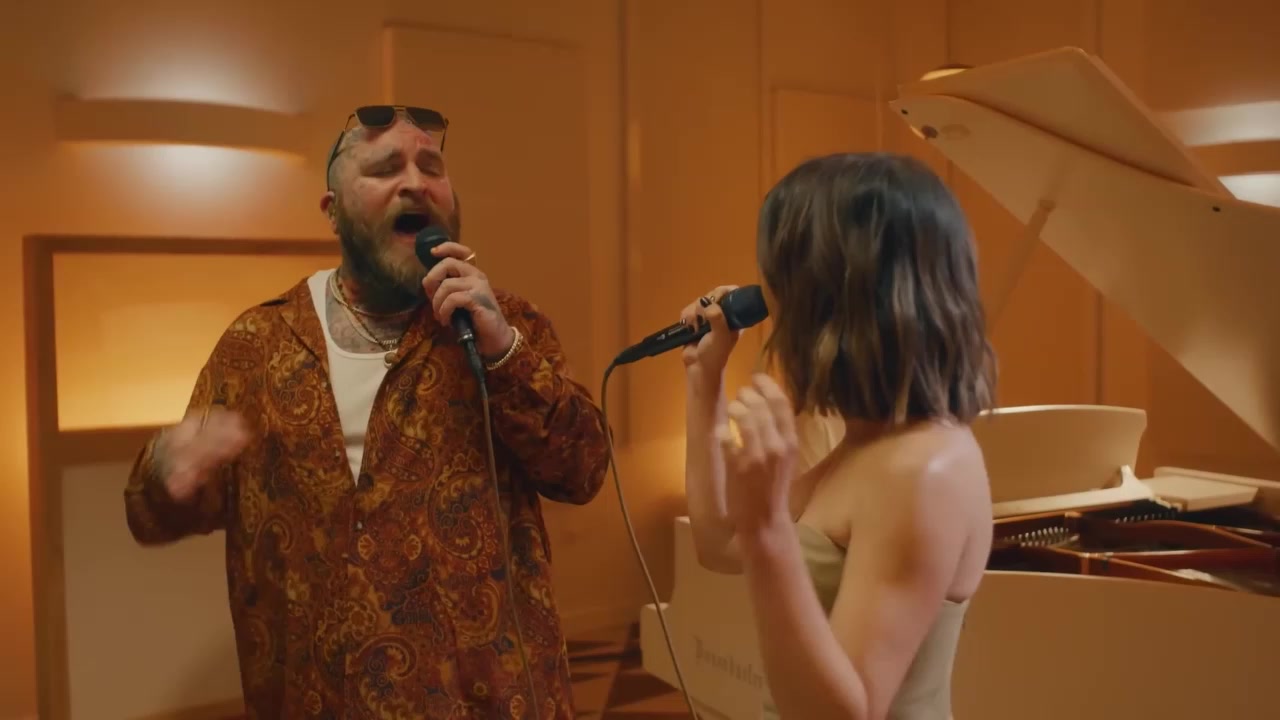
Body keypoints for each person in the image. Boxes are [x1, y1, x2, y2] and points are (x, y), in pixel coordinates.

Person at [123, 105, 611, 719]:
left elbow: (584, 471)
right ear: (332, 211)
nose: (416, 183)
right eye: (385, 168)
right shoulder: (257, 346)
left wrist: (503, 352)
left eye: (431, 166)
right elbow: (152, 516)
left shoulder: (508, 324)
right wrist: (167, 471)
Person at [679, 152, 996, 720]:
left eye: (779, 284)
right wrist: (706, 384)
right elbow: (718, 543)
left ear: (827, 302)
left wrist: (770, 530)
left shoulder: (921, 470)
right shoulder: (869, 443)